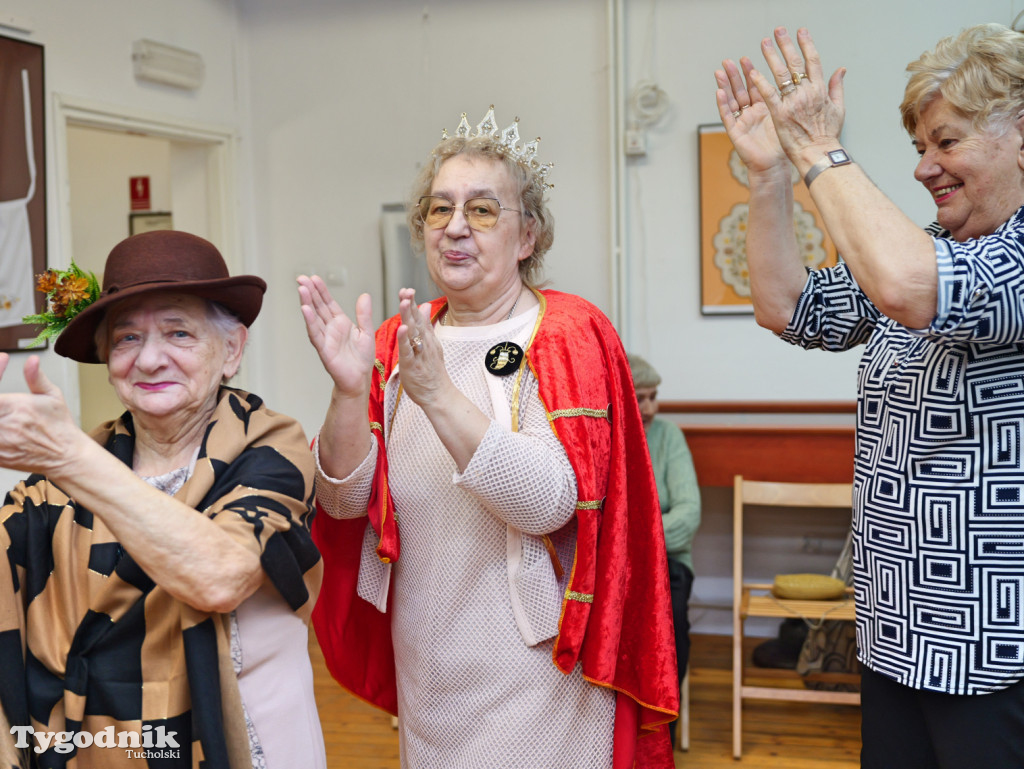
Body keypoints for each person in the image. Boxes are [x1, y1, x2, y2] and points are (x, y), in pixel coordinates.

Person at [300, 106, 678, 768]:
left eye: (481, 210)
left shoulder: (563, 335)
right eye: (440, 209)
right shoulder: (395, 342)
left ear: (527, 234)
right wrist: (345, 389)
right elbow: (342, 502)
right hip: (429, 656)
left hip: (538, 667)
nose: (454, 227)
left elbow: (550, 502)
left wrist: (438, 395)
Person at [715, 23, 1024, 768]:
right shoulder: (935, 247)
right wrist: (770, 174)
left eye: (944, 142)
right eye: (920, 146)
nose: (924, 168)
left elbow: (906, 288)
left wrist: (821, 145)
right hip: (893, 631)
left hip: (990, 652)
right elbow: (790, 307)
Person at [0, 231, 326, 769]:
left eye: (178, 332)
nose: (150, 360)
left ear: (232, 350)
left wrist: (73, 460)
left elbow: (221, 575)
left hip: (246, 743)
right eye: (127, 339)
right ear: (107, 357)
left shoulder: (270, 445)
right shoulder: (60, 476)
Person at [627, 353, 700, 747]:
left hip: (665, 561)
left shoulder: (669, 437)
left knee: (670, 630)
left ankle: (658, 736)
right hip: (615, 564)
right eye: (640, 398)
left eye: (654, 397)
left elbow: (688, 516)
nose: (650, 408)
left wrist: (634, 538)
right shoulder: (606, 434)